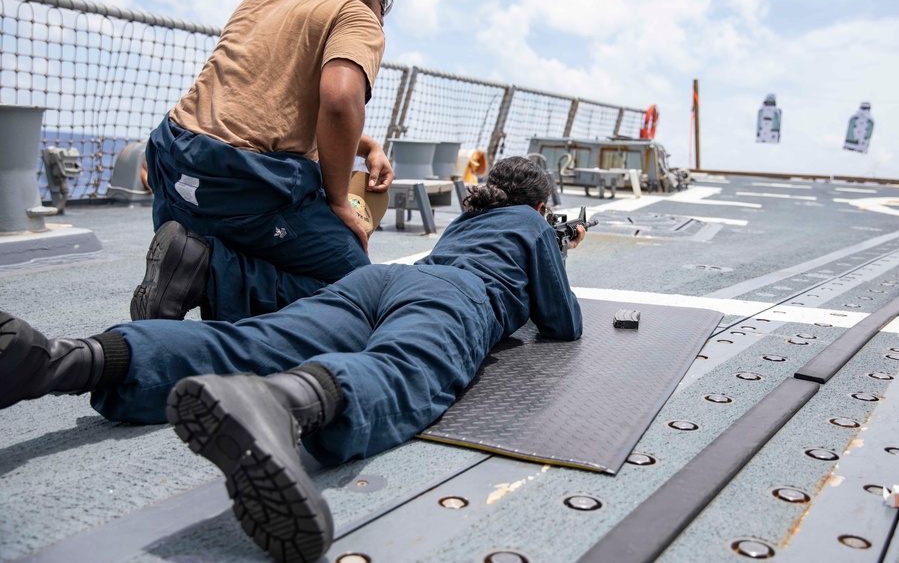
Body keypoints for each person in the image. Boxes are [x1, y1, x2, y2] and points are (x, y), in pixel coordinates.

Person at [0, 156, 586, 563]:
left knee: (253, 341)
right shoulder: (531, 225)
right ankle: (278, 403)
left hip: (381, 283)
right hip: (453, 297)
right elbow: (564, 324)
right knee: (404, 369)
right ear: (539, 204)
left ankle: (57, 359)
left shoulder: (471, 217)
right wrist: (557, 245)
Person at [134, 0, 397, 324]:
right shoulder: (355, 14)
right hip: (242, 187)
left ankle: (188, 253)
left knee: (259, 229)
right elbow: (340, 102)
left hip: (173, 169)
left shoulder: (260, 0)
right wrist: (339, 201)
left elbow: (252, 107)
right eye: (384, 4)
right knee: (362, 292)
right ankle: (205, 272)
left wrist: (366, 145)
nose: (383, 18)